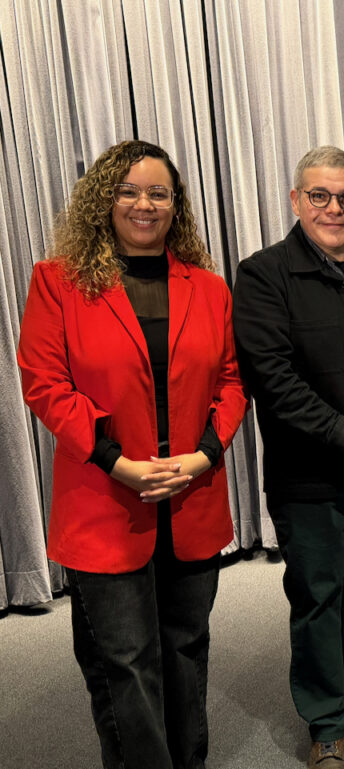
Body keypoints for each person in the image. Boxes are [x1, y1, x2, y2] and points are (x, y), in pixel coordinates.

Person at [17, 140, 248, 769]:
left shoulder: (208, 287)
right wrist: (116, 459)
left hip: (192, 495)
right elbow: (44, 382)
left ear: (176, 206)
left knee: (186, 647)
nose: (144, 204)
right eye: (128, 190)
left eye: (158, 193)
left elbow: (231, 382)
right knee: (125, 660)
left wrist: (203, 455)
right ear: (103, 199)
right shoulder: (57, 282)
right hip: (106, 495)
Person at [232, 146, 344, 769]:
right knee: (317, 595)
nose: (335, 208)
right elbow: (272, 380)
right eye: (320, 196)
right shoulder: (262, 274)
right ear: (295, 201)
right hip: (309, 474)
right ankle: (325, 719)